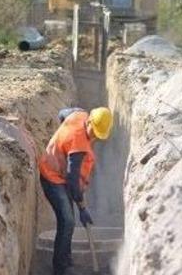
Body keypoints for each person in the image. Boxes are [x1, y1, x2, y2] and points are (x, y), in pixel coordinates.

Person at [38, 107, 113, 275]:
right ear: (90, 123)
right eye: (94, 133)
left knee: (68, 222)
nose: (94, 137)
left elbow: (62, 113)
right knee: (67, 221)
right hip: (52, 176)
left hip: (61, 174)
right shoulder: (77, 147)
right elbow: (73, 181)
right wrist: (82, 208)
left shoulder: (79, 114)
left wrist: (61, 142)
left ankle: (67, 259)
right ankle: (61, 268)